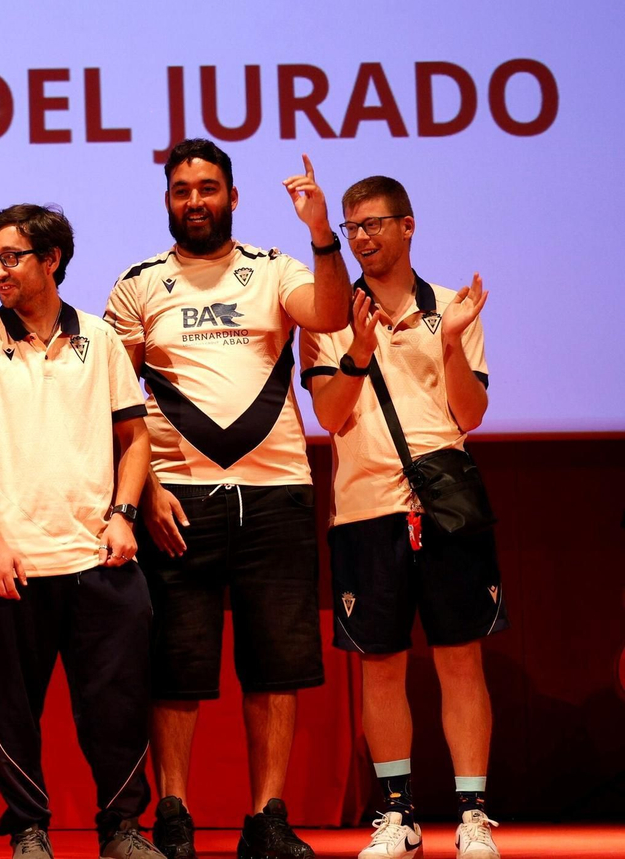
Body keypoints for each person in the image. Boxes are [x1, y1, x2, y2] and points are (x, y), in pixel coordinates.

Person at [102, 141, 349, 859]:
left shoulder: (276, 270)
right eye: (181, 190)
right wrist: (143, 491)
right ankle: (174, 812)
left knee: (276, 666)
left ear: (233, 197)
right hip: (176, 498)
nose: (194, 201)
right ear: (167, 201)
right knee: (175, 667)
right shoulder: (139, 284)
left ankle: (267, 816)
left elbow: (330, 314)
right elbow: (115, 408)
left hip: (276, 495)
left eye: (208, 188)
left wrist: (320, 231)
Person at [0, 204, 160, 859]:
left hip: (99, 557)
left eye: (11, 257)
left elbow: (136, 439)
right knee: (11, 709)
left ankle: (122, 827)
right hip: (11, 563)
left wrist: (123, 515)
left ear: (51, 260)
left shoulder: (100, 338)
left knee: (116, 707)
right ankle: (29, 828)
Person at [300, 176, 501, 859]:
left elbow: (470, 416)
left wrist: (452, 343)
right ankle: (398, 816)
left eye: (373, 224)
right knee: (380, 667)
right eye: (351, 227)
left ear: (408, 226)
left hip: (446, 507)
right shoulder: (327, 318)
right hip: (365, 509)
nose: (360, 237)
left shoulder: (452, 307)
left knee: (460, 661)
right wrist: (356, 348)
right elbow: (328, 417)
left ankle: (472, 817)